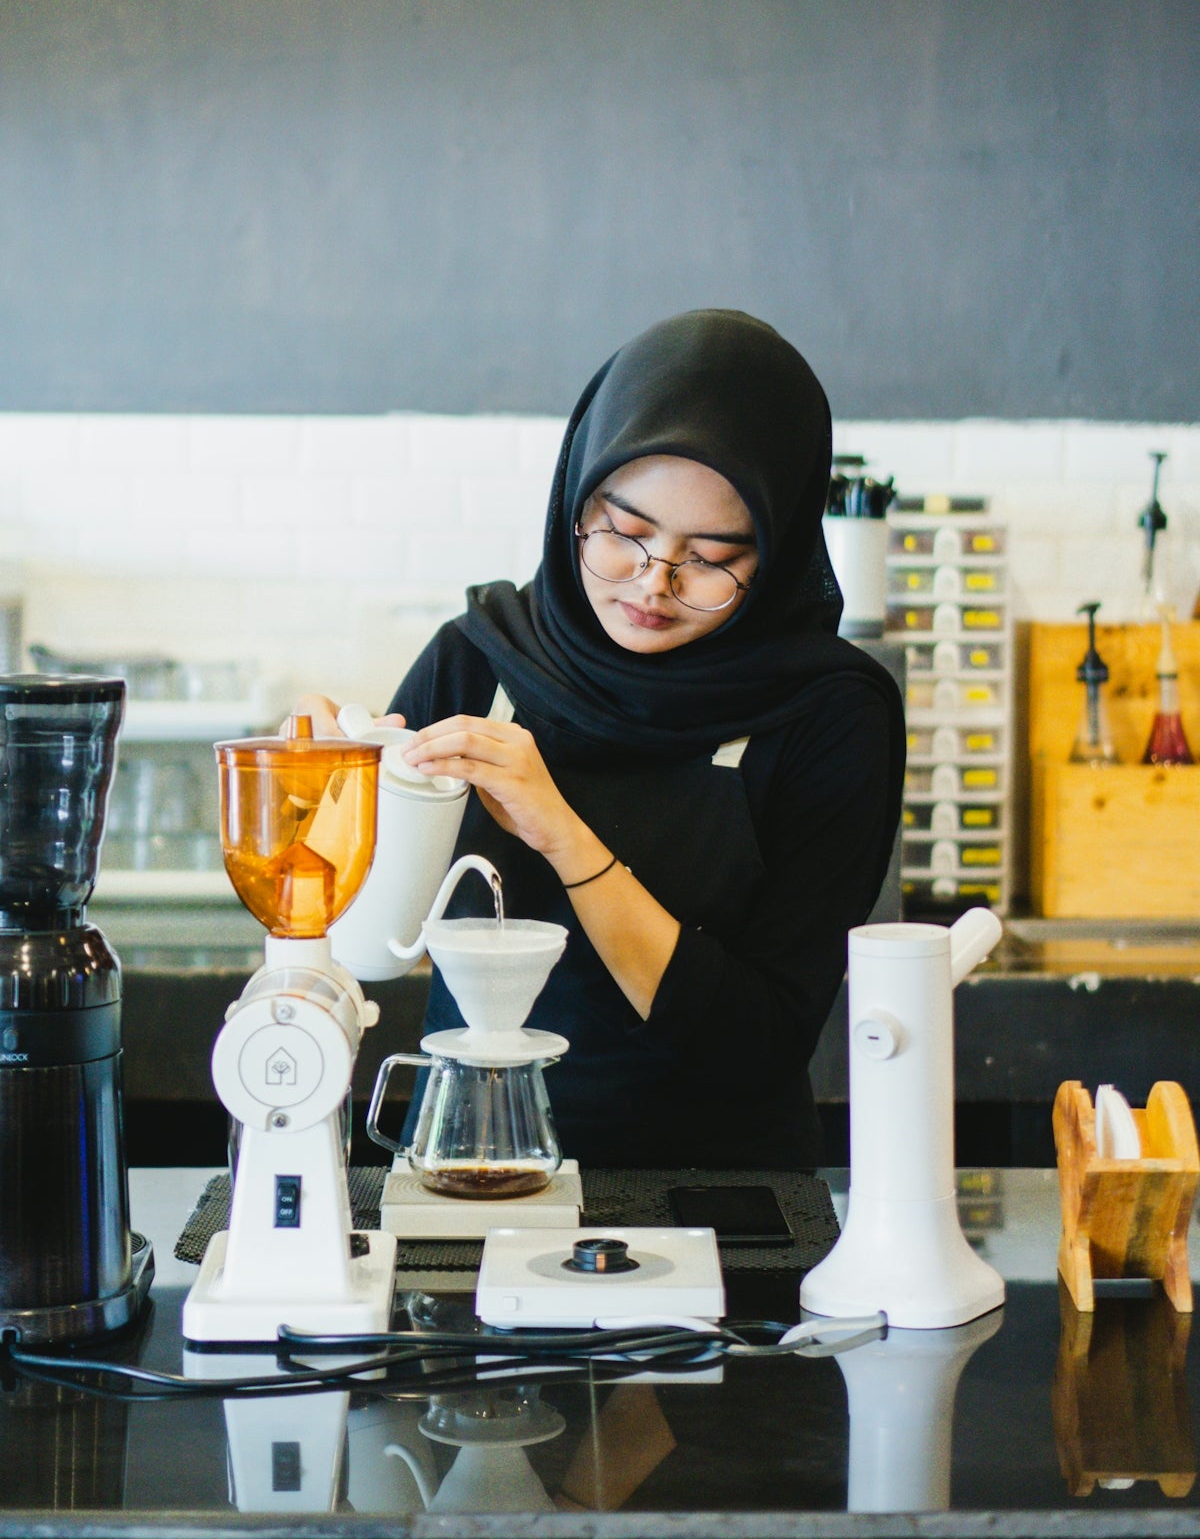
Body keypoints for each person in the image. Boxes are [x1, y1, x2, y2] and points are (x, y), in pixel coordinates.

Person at [305, 310, 905, 1166]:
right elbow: (367, 953)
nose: (653, 584)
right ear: (577, 496)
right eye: (623, 532)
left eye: (711, 556)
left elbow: (760, 1042)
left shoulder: (827, 714)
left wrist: (561, 829)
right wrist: (326, 800)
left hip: (722, 1202)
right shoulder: (482, 660)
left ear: (775, 549)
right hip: (469, 1170)